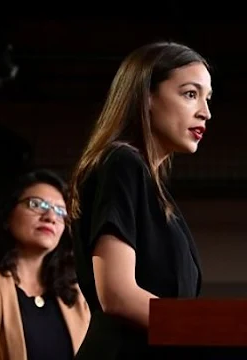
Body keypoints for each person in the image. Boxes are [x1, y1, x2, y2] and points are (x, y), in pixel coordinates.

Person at [67, 42, 211, 359]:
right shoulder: (121, 162)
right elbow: (117, 294)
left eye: (207, 98)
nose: (205, 112)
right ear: (146, 95)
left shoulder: (153, 188)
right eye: (190, 94)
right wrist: (210, 328)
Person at [0, 169, 90, 360]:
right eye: (36, 204)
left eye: (60, 211)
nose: (50, 217)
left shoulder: (76, 297)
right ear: (8, 215)